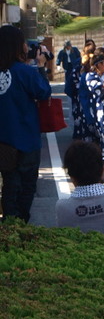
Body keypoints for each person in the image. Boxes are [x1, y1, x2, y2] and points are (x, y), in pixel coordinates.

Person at [0, 24, 52, 221]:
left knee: (9, 184)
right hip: (26, 140)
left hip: (3, 142)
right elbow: (44, 92)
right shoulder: (24, 72)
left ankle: (9, 225)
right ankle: (19, 226)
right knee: (26, 186)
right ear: (16, 45)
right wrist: (40, 66)